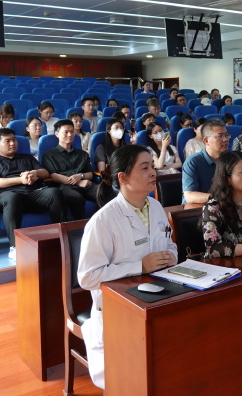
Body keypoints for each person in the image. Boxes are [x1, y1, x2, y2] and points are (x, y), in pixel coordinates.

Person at [78, 145, 177, 390]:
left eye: (152, 166)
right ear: (123, 178)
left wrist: (170, 257)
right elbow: (88, 277)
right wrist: (139, 266)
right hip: (118, 307)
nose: (153, 172)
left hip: (158, 294)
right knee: (128, 380)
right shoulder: (103, 221)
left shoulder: (155, 207)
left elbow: (169, 244)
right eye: (144, 168)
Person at [0, 128, 66, 262]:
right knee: (12, 197)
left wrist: (34, 173)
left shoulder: (27, 158)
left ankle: (61, 237)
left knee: (54, 192)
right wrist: (20, 180)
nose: (12, 143)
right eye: (7, 141)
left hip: (32, 194)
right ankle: (14, 247)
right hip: (7, 195)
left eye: (14, 140)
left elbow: (45, 173)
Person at [42, 119, 98, 222]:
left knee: (104, 192)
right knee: (76, 198)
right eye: (66, 132)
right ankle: (80, 227)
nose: (70, 135)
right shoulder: (49, 155)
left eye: (72, 132)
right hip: (64, 186)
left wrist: (80, 176)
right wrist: (78, 182)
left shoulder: (82, 154)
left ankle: (103, 223)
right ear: (57, 134)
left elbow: (90, 174)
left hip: (85, 184)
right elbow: (54, 176)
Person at [182, 119, 229, 204]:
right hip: (197, 208)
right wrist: (217, 197)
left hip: (223, 205)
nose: (225, 139)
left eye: (226, 135)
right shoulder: (193, 162)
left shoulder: (229, 159)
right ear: (206, 140)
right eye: (220, 136)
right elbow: (189, 196)